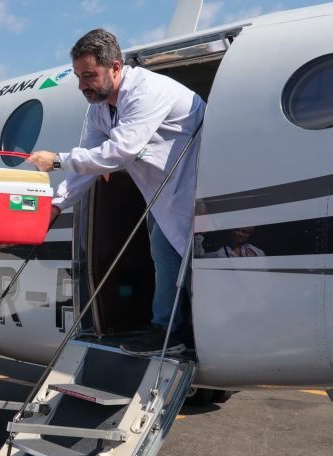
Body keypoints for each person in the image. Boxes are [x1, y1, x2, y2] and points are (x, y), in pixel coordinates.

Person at [27, 28, 205, 355]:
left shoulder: (147, 91)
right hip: (164, 196)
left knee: (196, 267)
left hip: (197, 190)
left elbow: (119, 152)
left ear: (115, 67)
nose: (83, 85)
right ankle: (169, 332)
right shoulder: (99, 109)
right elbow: (91, 162)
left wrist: (56, 162)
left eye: (90, 75)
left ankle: (189, 333)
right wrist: (55, 206)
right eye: (79, 77)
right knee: (166, 260)